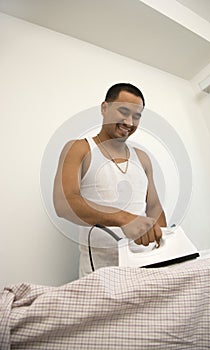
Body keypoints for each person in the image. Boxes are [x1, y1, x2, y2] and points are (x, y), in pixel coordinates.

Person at [53, 83, 167, 277]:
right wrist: (124, 218)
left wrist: (165, 249)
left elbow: (154, 207)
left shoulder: (142, 157)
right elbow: (63, 204)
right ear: (104, 108)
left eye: (137, 116)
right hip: (100, 272)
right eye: (123, 111)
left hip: (146, 267)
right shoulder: (79, 148)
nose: (130, 122)